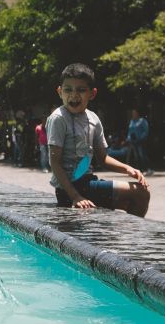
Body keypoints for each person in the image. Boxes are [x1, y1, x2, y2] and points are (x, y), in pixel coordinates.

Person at [46, 64, 150, 217]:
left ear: (92, 94)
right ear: (59, 92)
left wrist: (128, 169)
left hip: (88, 183)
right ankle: (132, 238)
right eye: (68, 90)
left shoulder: (93, 118)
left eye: (81, 90)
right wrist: (75, 197)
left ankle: (128, 236)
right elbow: (55, 163)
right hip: (69, 189)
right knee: (141, 194)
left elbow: (103, 159)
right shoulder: (58, 118)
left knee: (131, 200)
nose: (74, 95)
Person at [127, 109, 153, 176]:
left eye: (135, 113)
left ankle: (148, 169)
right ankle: (140, 170)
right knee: (136, 156)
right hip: (133, 141)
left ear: (138, 113)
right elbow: (130, 131)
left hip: (141, 141)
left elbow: (146, 131)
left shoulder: (142, 121)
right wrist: (129, 138)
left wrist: (140, 138)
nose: (133, 114)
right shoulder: (132, 121)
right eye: (133, 113)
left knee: (142, 155)